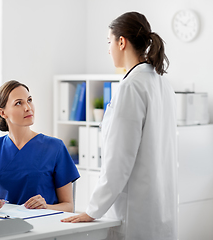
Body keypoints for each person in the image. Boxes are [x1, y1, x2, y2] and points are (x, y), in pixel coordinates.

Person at [61, 12, 178, 240]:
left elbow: (119, 161)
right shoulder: (162, 83)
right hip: (161, 210)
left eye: (109, 42)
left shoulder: (132, 87)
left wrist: (92, 210)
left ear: (121, 42)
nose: (108, 49)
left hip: (135, 215)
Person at [0, 80, 80, 213]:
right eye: (19, 103)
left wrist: (46, 206)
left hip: (45, 225)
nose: (28, 107)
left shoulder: (55, 147)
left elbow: (68, 206)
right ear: (3, 113)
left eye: (29, 100)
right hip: (5, 225)